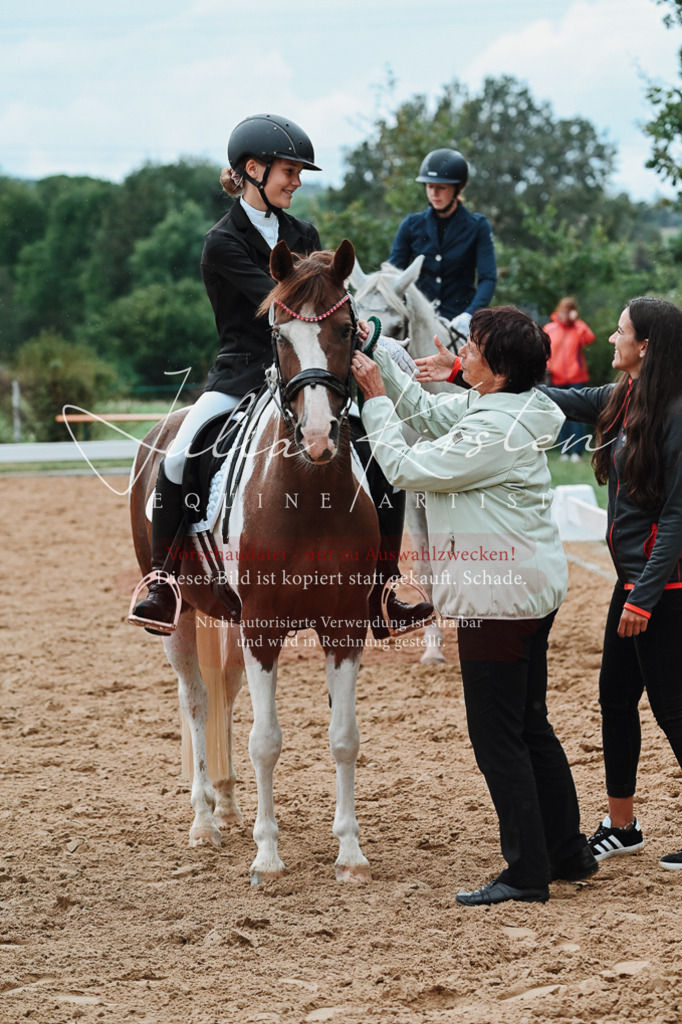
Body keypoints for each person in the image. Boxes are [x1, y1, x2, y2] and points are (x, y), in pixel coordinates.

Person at [131, 113, 432, 638]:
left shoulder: (302, 233)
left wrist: (364, 328)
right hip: (239, 374)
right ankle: (163, 579)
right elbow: (283, 305)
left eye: (298, 173)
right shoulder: (221, 242)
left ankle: (383, 586)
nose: (296, 182)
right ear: (253, 170)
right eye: (289, 172)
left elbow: (327, 303)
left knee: (377, 450)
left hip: (310, 372)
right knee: (179, 455)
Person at [352, 306, 598, 906]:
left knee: (496, 737)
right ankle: (566, 850)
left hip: (500, 597)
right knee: (529, 723)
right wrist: (378, 347)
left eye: (476, 348)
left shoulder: (494, 429)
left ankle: (526, 872)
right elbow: (432, 412)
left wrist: (375, 399)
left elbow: (409, 467)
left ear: (498, 368)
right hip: (527, 591)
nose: (468, 353)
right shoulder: (510, 406)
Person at [539, 297, 682, 872]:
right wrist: (471, 373)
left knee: (673, 708)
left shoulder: (675, 413)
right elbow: (557, 399)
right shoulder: (623, 398)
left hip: (663, 590)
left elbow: (676, 518)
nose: (613, 338)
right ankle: (622, 826)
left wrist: (644, 599)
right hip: (632, 584)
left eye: (620, 331)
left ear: (644, 346)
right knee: (616, 699)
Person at [388, 148, 497, 344]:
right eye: (430, 186)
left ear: (457, 188)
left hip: (459, 320)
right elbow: (393, 273)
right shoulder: (411, 225)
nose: (434, 193)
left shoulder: (478, 226)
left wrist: (470, 314)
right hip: (417, 321)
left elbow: (488, 278)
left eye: (442, 187)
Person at [543, 297, 595, 461]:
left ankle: (577, 452)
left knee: (578, 415)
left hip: (576, 377)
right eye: (563, 310)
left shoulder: (578, 329)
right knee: (561, 415)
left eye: (569, 311)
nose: (565, 314)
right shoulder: (550, 328)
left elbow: (589, 339)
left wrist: (577, 321)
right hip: (556, 378)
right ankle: (565, 451)